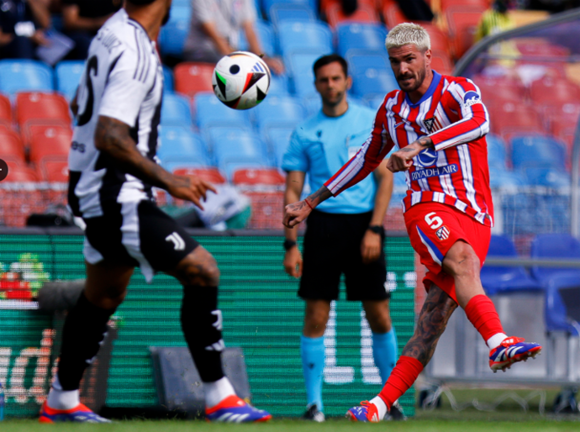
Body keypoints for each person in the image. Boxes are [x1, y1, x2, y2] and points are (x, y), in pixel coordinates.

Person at [283, 23, 542, 422]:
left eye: (409, 59)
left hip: (475, 212)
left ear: (426, 58)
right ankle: (497, 340)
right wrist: (313, 200)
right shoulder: (390, 108)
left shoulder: (457, 90)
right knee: (461, 262)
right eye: (395, 62)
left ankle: (378, 405)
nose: (402, 69)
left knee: (430, 324)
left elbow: (480, 123)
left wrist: (421, 142)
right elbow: (366, 159)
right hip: (427, 205)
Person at [39, 0, 271, 423]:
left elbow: (78, 103)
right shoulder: (135, 50)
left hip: (92, 187)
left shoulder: (112, 30)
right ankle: (220, 396)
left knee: (103, 295)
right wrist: (172, 180)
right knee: (202, 269)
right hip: (115, 192)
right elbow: (110, 134)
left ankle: (61, 400)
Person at [281, 54, 401, 422]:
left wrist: (376, 228)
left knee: (378, 313)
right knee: (316, 314)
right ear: (316, 85)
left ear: (347, 81)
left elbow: (385, 178)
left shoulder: (369, 123)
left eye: (336, 79)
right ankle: (314, 404)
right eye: (324, 80)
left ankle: (388, 401)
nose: (330, 85)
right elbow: (293, 190)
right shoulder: (304, 132)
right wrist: (291, 243)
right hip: (322, 228)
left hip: (364, 226)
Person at [182, 0, 284, 75]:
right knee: (239, 67)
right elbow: (212, 33)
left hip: (229, 50)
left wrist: (262, 58)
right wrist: (237, 58)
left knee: (270, 63)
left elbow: (250, 31)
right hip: (202, 50)